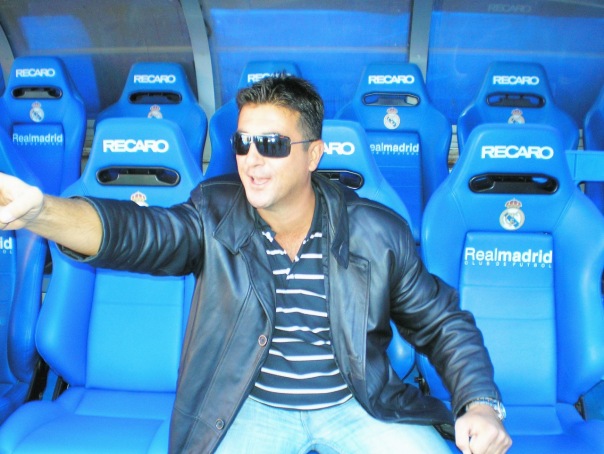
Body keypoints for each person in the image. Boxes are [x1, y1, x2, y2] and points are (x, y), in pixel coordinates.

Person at [0, 74, 511, 454]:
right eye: (243, 143)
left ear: (314, 155)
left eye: (271, 144)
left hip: (356, 404)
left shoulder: (376, 232)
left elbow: (443, 323)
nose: (252, 159)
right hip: (248, 405)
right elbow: (138, 233)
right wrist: (43, 212)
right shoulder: (214, 214)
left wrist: (481, 404)